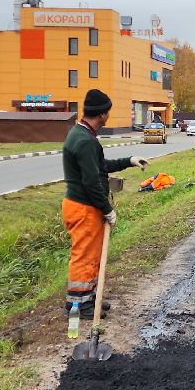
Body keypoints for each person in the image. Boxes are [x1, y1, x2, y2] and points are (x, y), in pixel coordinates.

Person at [62, 89, 149, 316]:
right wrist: (107, 209)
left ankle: (89, 297)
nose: (108, 116)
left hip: (83, 206)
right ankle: (79, 305)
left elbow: (100, 167)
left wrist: (129, 161)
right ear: (101, 114)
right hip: (84, 208)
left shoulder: (81, 135)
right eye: (108, 112)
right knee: (84, 255)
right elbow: (91, 182)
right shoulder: (85, 141)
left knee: (92, 255)